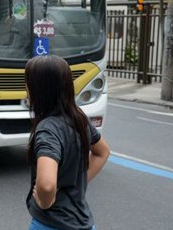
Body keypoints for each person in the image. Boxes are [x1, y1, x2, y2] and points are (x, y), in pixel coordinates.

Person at [26, 55, 110, 230]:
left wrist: (45, 202)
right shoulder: (78, 118)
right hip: (83, 221)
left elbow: (47, 185)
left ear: (39, 89)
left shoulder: (47, 129)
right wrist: (79, 182)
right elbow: (102, 152)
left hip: (52, 224)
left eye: (28, 83)